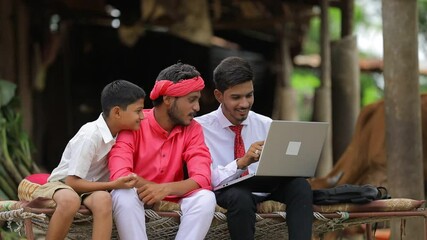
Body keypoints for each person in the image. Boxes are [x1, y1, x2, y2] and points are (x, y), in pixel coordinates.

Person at [195, 56, 313, 240]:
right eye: (236, 97)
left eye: (249, 95)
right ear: (219, 96)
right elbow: (203, 179)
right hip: (226, 192)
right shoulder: (200, 129)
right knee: (240, 197)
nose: (244, 104)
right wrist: (241, 163)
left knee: (300, 186)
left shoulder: (266, 124)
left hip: (265, 188)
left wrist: (296, 167)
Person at [108, 62, 216, 240]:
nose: (197, 107)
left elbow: (202, 178)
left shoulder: (193, 129)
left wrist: (165, 189)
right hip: (136, 198)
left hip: (174, 198)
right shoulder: (135, 123)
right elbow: (120, 175)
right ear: (168, 99)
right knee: (123, 194)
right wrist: (151, 188)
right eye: (191, 99)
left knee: (206, 198)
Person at [32, 80, 146, 240]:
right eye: (138, 111)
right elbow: (71, 182)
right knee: (70, 201)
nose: (142, 117)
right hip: (62, 185)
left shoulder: (123, 134)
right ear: (117, 112)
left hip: (90, 190)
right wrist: (113, 185)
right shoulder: (90, 135)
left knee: (104, 199)